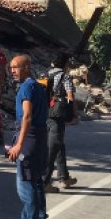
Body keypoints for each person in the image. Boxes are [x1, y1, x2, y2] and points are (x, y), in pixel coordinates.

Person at [7, 54, 49, 219]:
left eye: (16, 67)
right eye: (11, 68)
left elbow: (27, 116)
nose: (12, 71)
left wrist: (19, 144)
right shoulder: (39, 87)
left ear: (26, 68)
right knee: (37, 180)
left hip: (29, 138)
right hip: (40, 136)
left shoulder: (26, 88)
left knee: (26, 183)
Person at [43, 53, 78, 193]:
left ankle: (64, 177)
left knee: (59, 145)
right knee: (53, 147)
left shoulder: (46, 74)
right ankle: (45, 182)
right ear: (65, 64)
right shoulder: (65, 76)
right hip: (58, 113)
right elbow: (70, 96)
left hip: (46, 111)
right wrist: (73, 114)